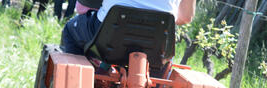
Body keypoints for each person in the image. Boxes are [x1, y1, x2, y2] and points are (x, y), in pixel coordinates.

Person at [62, 0, 196, 55]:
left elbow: (82, 6)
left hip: (109, 37)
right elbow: (185, 17)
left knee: (70, 30)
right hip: (156, 44)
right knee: (163, 64)